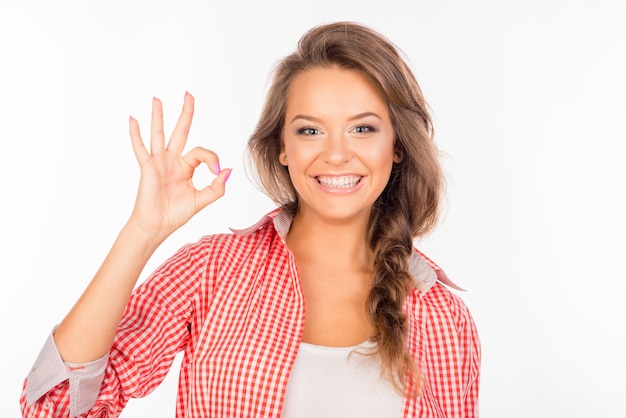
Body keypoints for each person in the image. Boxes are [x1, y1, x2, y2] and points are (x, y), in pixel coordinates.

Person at [20, 21, 480, 417]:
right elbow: (55, 407)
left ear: (397, 145)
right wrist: (142, 232)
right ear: (282, 147)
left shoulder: (443, 316)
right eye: (310, 130)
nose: (337, 154)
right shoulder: (211, 271)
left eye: (362, 128)